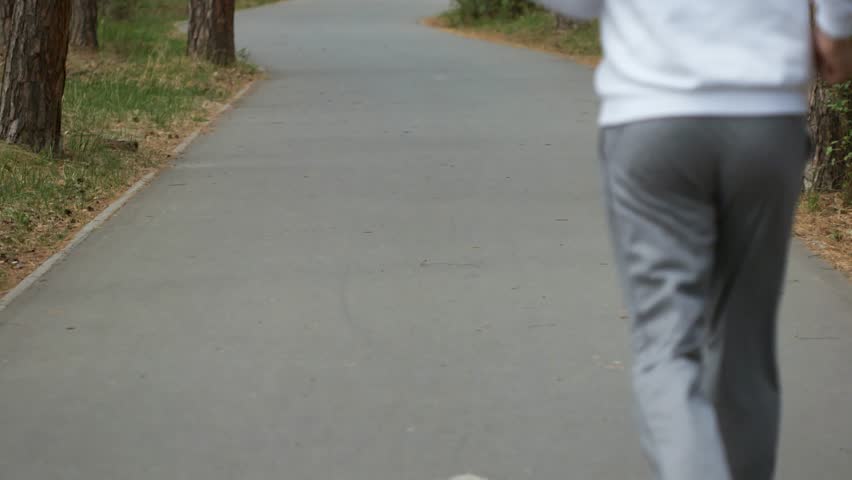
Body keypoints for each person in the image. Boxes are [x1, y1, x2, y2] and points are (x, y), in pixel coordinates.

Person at [533, 1, 852, 479]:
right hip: (765, 118)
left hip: (652, 115)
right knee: (745, 341)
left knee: (666, 347)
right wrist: (835, 29)